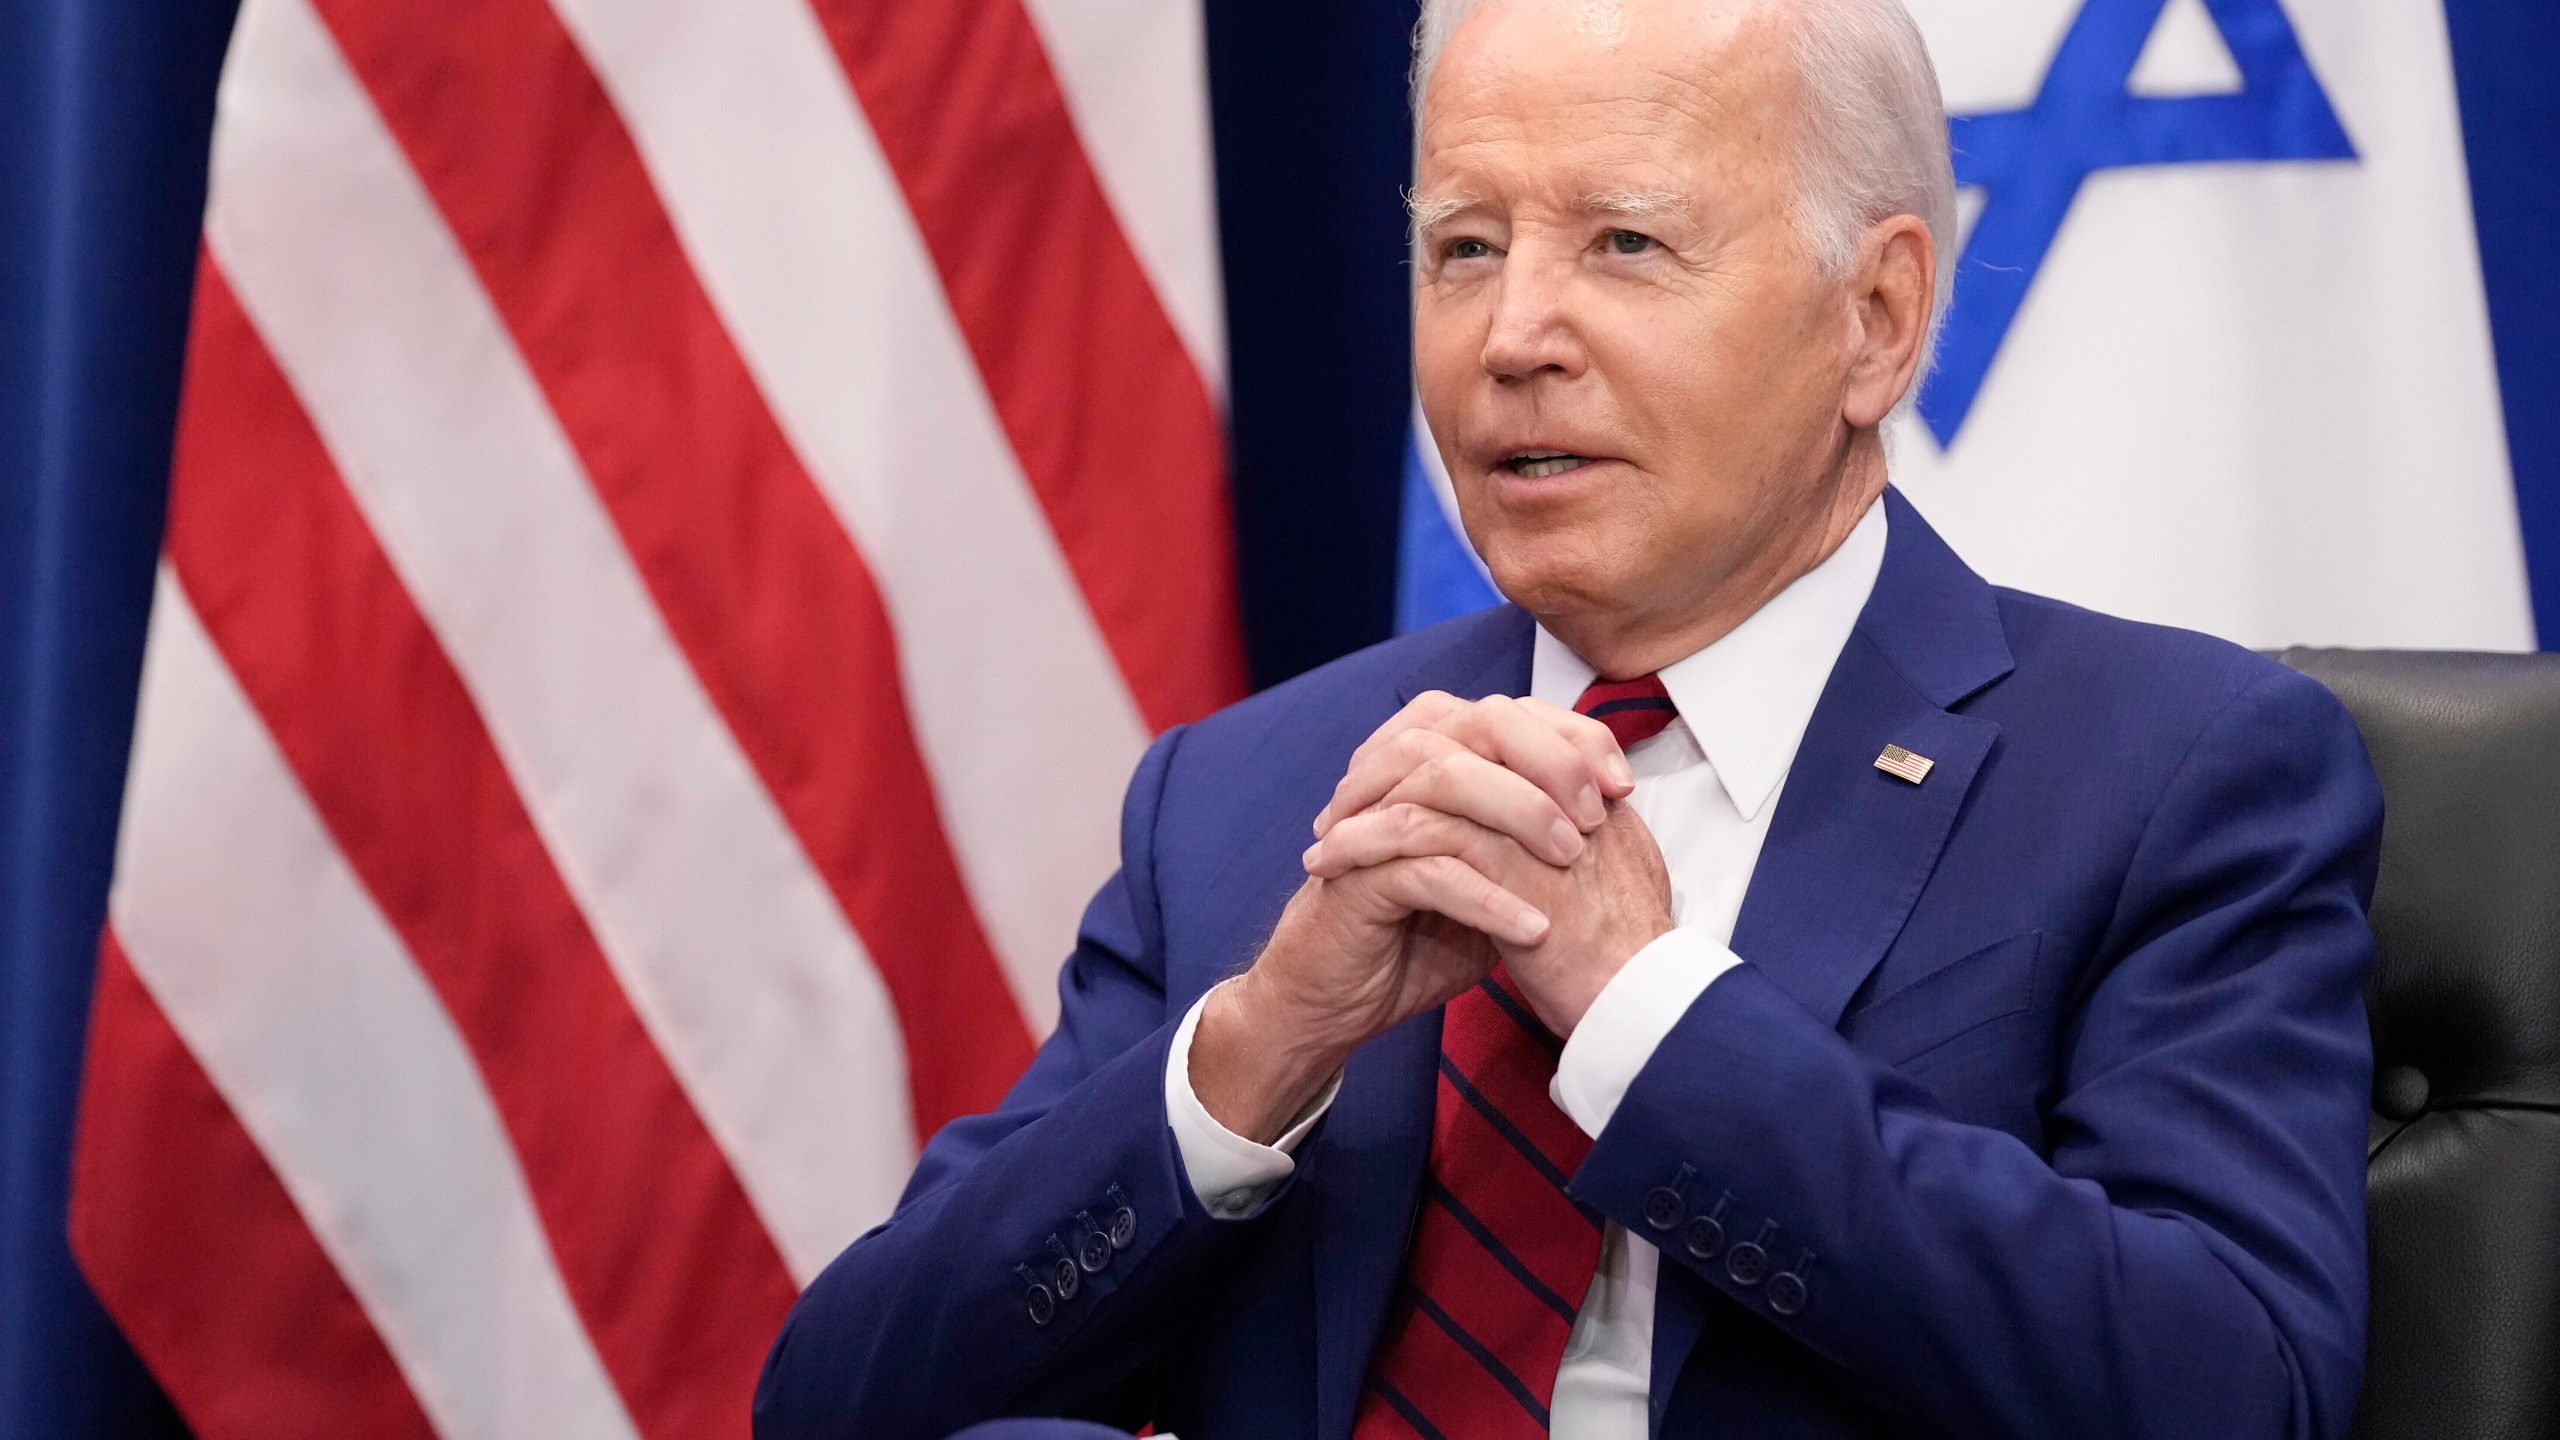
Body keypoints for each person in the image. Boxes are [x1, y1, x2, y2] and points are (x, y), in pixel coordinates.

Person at [752, 0, 2381, 1434]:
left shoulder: (2174, 770)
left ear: (1875, 321)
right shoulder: (1245, 794)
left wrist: (1652, 1016)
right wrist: (1257, 1057)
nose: (1513, 337)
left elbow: (2231, 1386)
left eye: (1625, 244)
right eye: (1465, 246)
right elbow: (840, 1402)